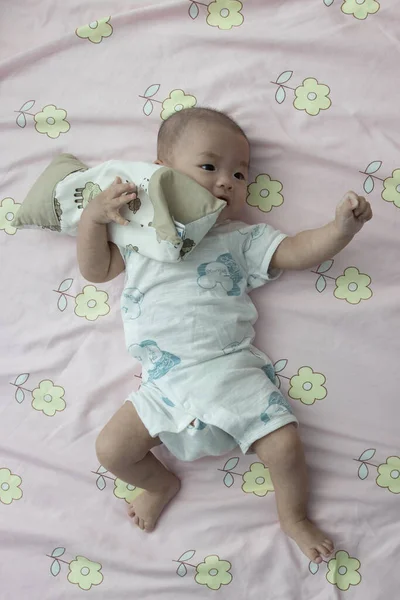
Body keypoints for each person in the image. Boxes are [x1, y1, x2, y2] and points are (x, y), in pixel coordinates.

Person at [77, 107, 372, 564]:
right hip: (163, 383)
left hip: (230, 372)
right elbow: (95, 270)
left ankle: (293, 517)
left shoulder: (239, 237)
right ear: (161, 173)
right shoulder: (139, 237)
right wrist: (93, 221)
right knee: (111, 449)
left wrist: (340, 230)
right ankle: (161, 483)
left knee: (286, 445)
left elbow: (295, 251)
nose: (227, 182)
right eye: (209, 166)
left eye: (239, 173)